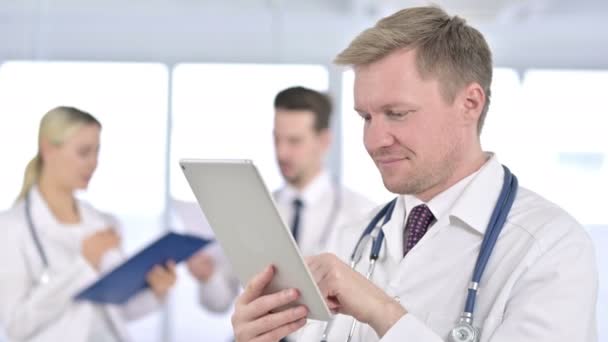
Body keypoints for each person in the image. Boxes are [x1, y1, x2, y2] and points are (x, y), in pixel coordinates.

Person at [230, 6, 598, 342]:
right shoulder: (353, 239)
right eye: (366, 117)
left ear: (469, 104)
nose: (374, 140)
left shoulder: (551, 249)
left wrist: (382, 311)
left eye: (397, 113)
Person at [186, 86, 376, 313]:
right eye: (277, 139)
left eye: (294, 141)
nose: (282, 152)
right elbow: (218, 302)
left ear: (324, 141)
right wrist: (207, 277)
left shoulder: (362, 214)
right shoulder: (253, 210)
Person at [0, 106, 177, 342]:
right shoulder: (11, 227)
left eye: (97, 152)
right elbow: (17, 325)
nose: (94, 163)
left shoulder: (103, 223)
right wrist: (84, 265)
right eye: (84, 152)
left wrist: (156, 290)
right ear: (48, 150)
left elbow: (118, 311)